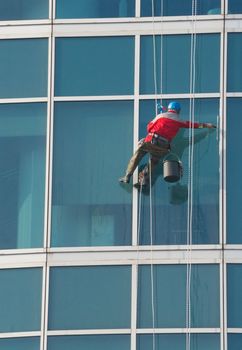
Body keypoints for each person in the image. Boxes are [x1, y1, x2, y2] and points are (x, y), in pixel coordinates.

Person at [119, 101, 216, 187]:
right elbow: (194, 125)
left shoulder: (160, 116)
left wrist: (160, 117)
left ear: (169, 109)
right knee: (153, 161)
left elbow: (149, 127)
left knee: (138, 154)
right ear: (178, 111)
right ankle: (144, 178)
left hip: (152, 141)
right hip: (163, 147)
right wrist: (207, 125)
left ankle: (127, 176)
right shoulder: (180, 121)